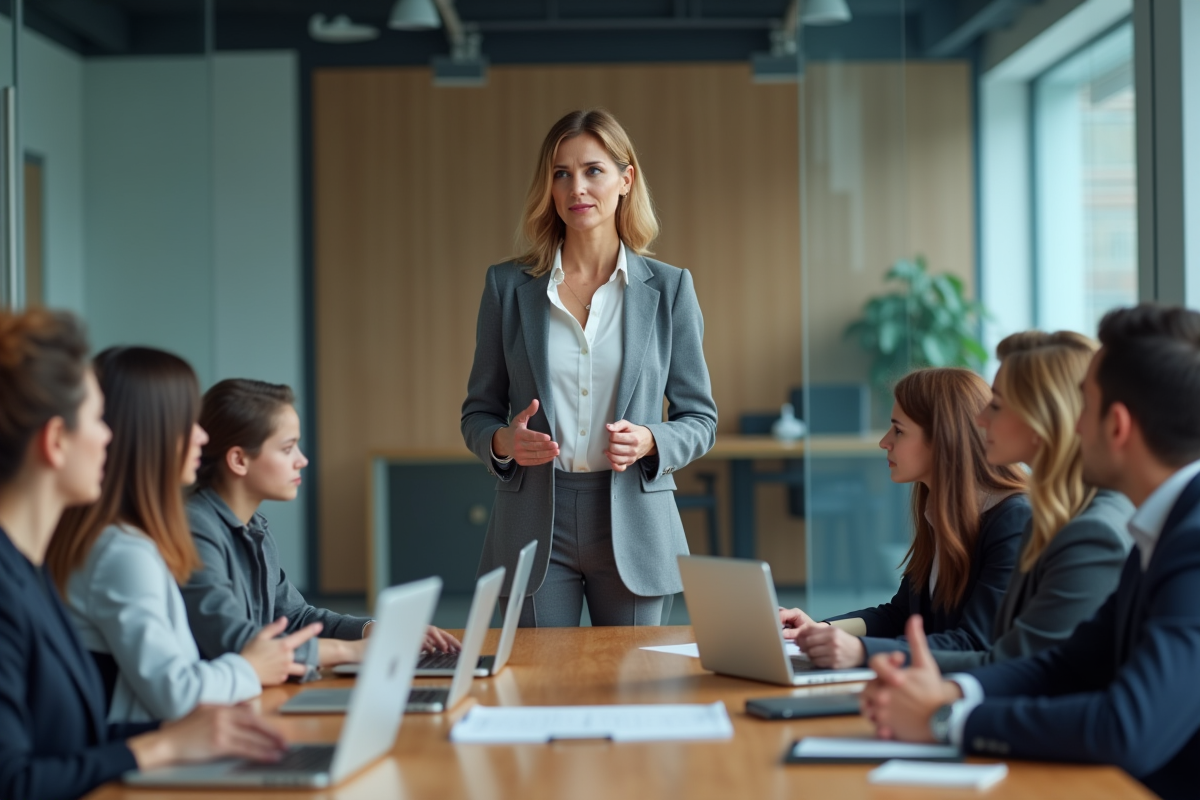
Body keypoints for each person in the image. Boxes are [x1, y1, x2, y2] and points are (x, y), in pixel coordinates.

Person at [859, 305, 1200, 800]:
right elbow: (1066, 662)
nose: (1073, 427)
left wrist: (945, 717)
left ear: (1118, 426)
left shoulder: (1188, 546)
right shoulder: (1162, 532)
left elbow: (1124, 728)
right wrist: (952, 695)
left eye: (1083, 406)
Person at [0, 309, 287, 800]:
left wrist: (190, 741)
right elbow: (14, 781)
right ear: (55, 442)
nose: (110, 436)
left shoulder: (33, 570)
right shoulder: (25, 581)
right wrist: (158, 748)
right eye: (96, 420)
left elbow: (71, 740)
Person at [461, 108, 718, 627]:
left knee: (636, 694)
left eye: (593, 170)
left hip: (634, 523)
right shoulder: (507, 288)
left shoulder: (669, 289)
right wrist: (503, 442)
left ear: (626, 180)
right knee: (534, 696)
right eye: (561, 173)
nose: (577, 187)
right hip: (533, 523)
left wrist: (651, 440)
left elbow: (701, 419)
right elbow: (478, 413)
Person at [47, 348, 320, 723]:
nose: (202, 436)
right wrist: (251, 667)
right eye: (186, 421)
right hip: (144, 752)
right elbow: (178, 693)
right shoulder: (123, 552)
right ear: (148, 434)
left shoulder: (131, 541)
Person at [182, 378, 459, 674]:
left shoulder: (254, 527)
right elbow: (236, 642)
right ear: (239, 459)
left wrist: (375, 631)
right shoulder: (193, 528)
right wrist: (350, 651)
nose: (302, 460)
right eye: (288, 449)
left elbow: (296, 617)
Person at [779, 368, 1031, 668]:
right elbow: (900, 614)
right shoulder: (941, 512)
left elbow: (974, 643)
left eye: (898, 430)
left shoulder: (1014, 522)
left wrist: (861, 651)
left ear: (943, 438)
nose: (885, 441)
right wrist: (821, 630)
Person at [930, 331, 1133, 671]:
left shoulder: (1094, 533)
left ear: (1041, 420)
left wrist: (873, 662)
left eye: (995, 405)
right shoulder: (1048, 517)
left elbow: (1020, 666)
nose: (980, 420)